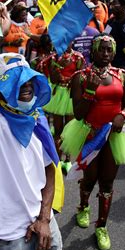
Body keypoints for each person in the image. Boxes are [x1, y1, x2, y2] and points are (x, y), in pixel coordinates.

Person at [0, 0, 62, 250]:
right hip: (10, 237)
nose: (26, 85)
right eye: (15, 81)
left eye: (28, 78)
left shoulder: (37, 119)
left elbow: (49, 170)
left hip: (45, 225)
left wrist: (44, 218)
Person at [60, 34, 125, 250]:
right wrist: (90, 92)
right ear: (93, 51)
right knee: (90, 179)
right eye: (102, 49)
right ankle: (83, 207)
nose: (106, 54)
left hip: (114, 136)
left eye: (109, 50)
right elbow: (79, 113)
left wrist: (124, 114)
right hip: (90, 135)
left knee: (108, 182)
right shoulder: (80, 78)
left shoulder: (122, 75)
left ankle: (101, 226)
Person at [43, 44, 85, 172]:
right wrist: (57, 68)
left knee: (69, 128)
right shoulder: (53, 58)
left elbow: (81, 77)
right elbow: (52, 77)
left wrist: (70, 81)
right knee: (58, 128)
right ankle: (58, 158)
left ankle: (67, 159)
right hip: (58, 94)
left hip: (71, 94)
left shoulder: (78, 57)